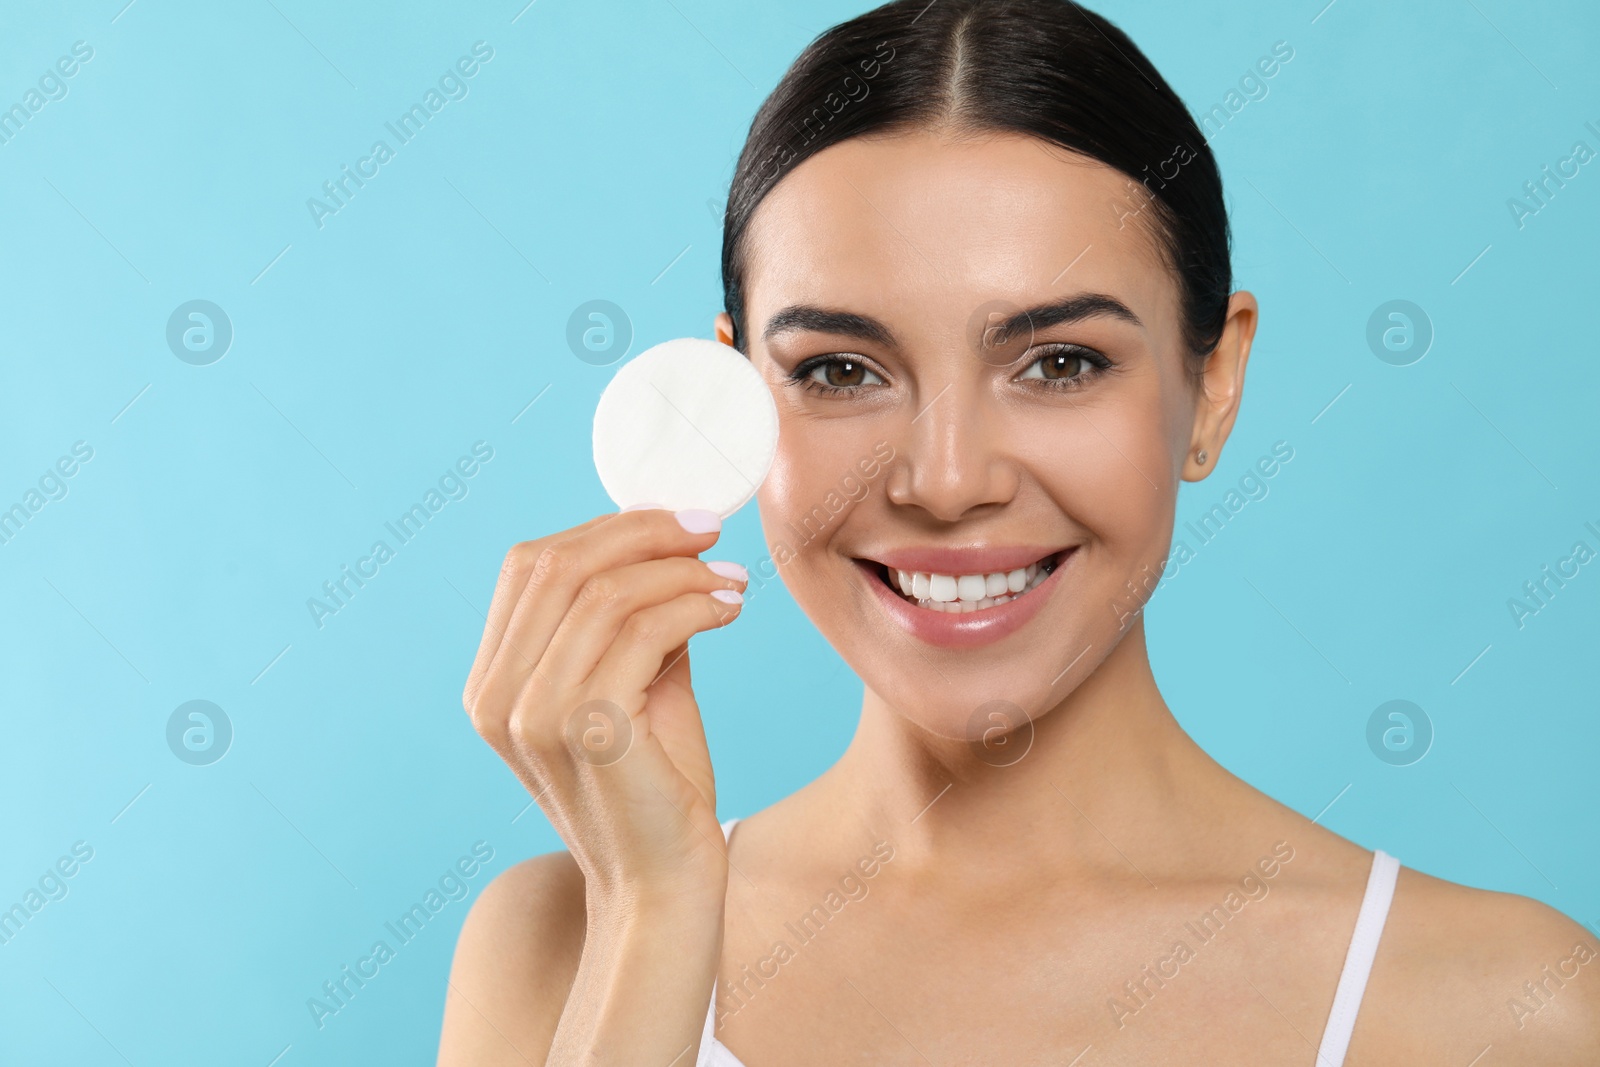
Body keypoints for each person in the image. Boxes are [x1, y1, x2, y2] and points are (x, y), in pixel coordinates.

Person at [437, 1, 1600, 1063]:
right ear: (731, 400)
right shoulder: (558, 942)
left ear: (1216, 380)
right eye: (841, 369)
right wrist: (654, 911)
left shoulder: (1511, 1005)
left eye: (1058, 362)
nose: (947, 482)